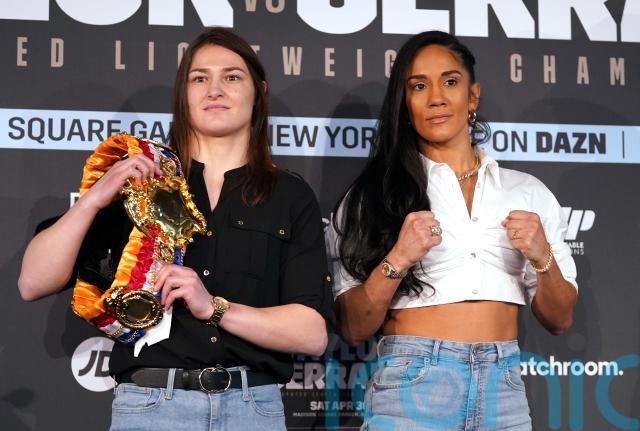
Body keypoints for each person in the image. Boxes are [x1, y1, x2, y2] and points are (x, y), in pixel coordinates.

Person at [18, 28, 332, 431]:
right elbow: (33, 283)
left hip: (253, 408)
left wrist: (214, 308)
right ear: (183, 94)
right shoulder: (142, 178)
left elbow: (311, 334)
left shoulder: (290, 195)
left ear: (260, 91)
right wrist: (94, 199)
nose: (215, 89)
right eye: (199, 78)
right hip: (151, 406)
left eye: (232, 76)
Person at [326, 31, 578, 430]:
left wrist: (542, 256)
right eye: (418, 86)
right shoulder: (371, 197)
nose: (436, 98)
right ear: (404, 104)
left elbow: (560, 319)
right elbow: (354, 328)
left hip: (503, 388)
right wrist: (398, 258)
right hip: (412, 383)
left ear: (472, 96)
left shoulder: (527, 192)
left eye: (450, 81)